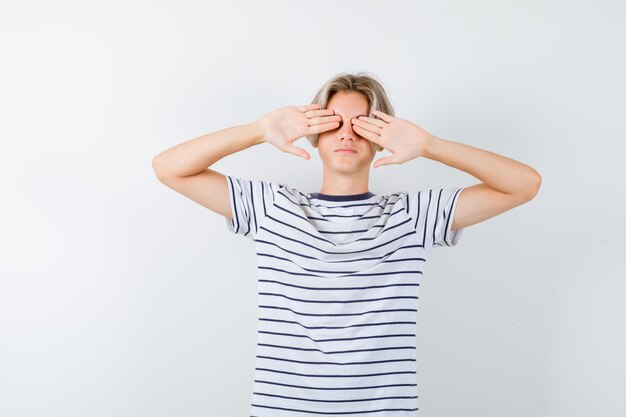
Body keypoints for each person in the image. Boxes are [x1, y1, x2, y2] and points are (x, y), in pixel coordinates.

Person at [152, 72, 541, 416]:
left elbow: (524, 184)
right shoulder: (272, 208)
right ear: (315, 134)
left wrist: (430, 145)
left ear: (381, 139)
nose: (346, 134)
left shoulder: (412, 216)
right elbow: (168, 168)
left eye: (362, 125)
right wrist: (258, 129)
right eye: (335, 122)